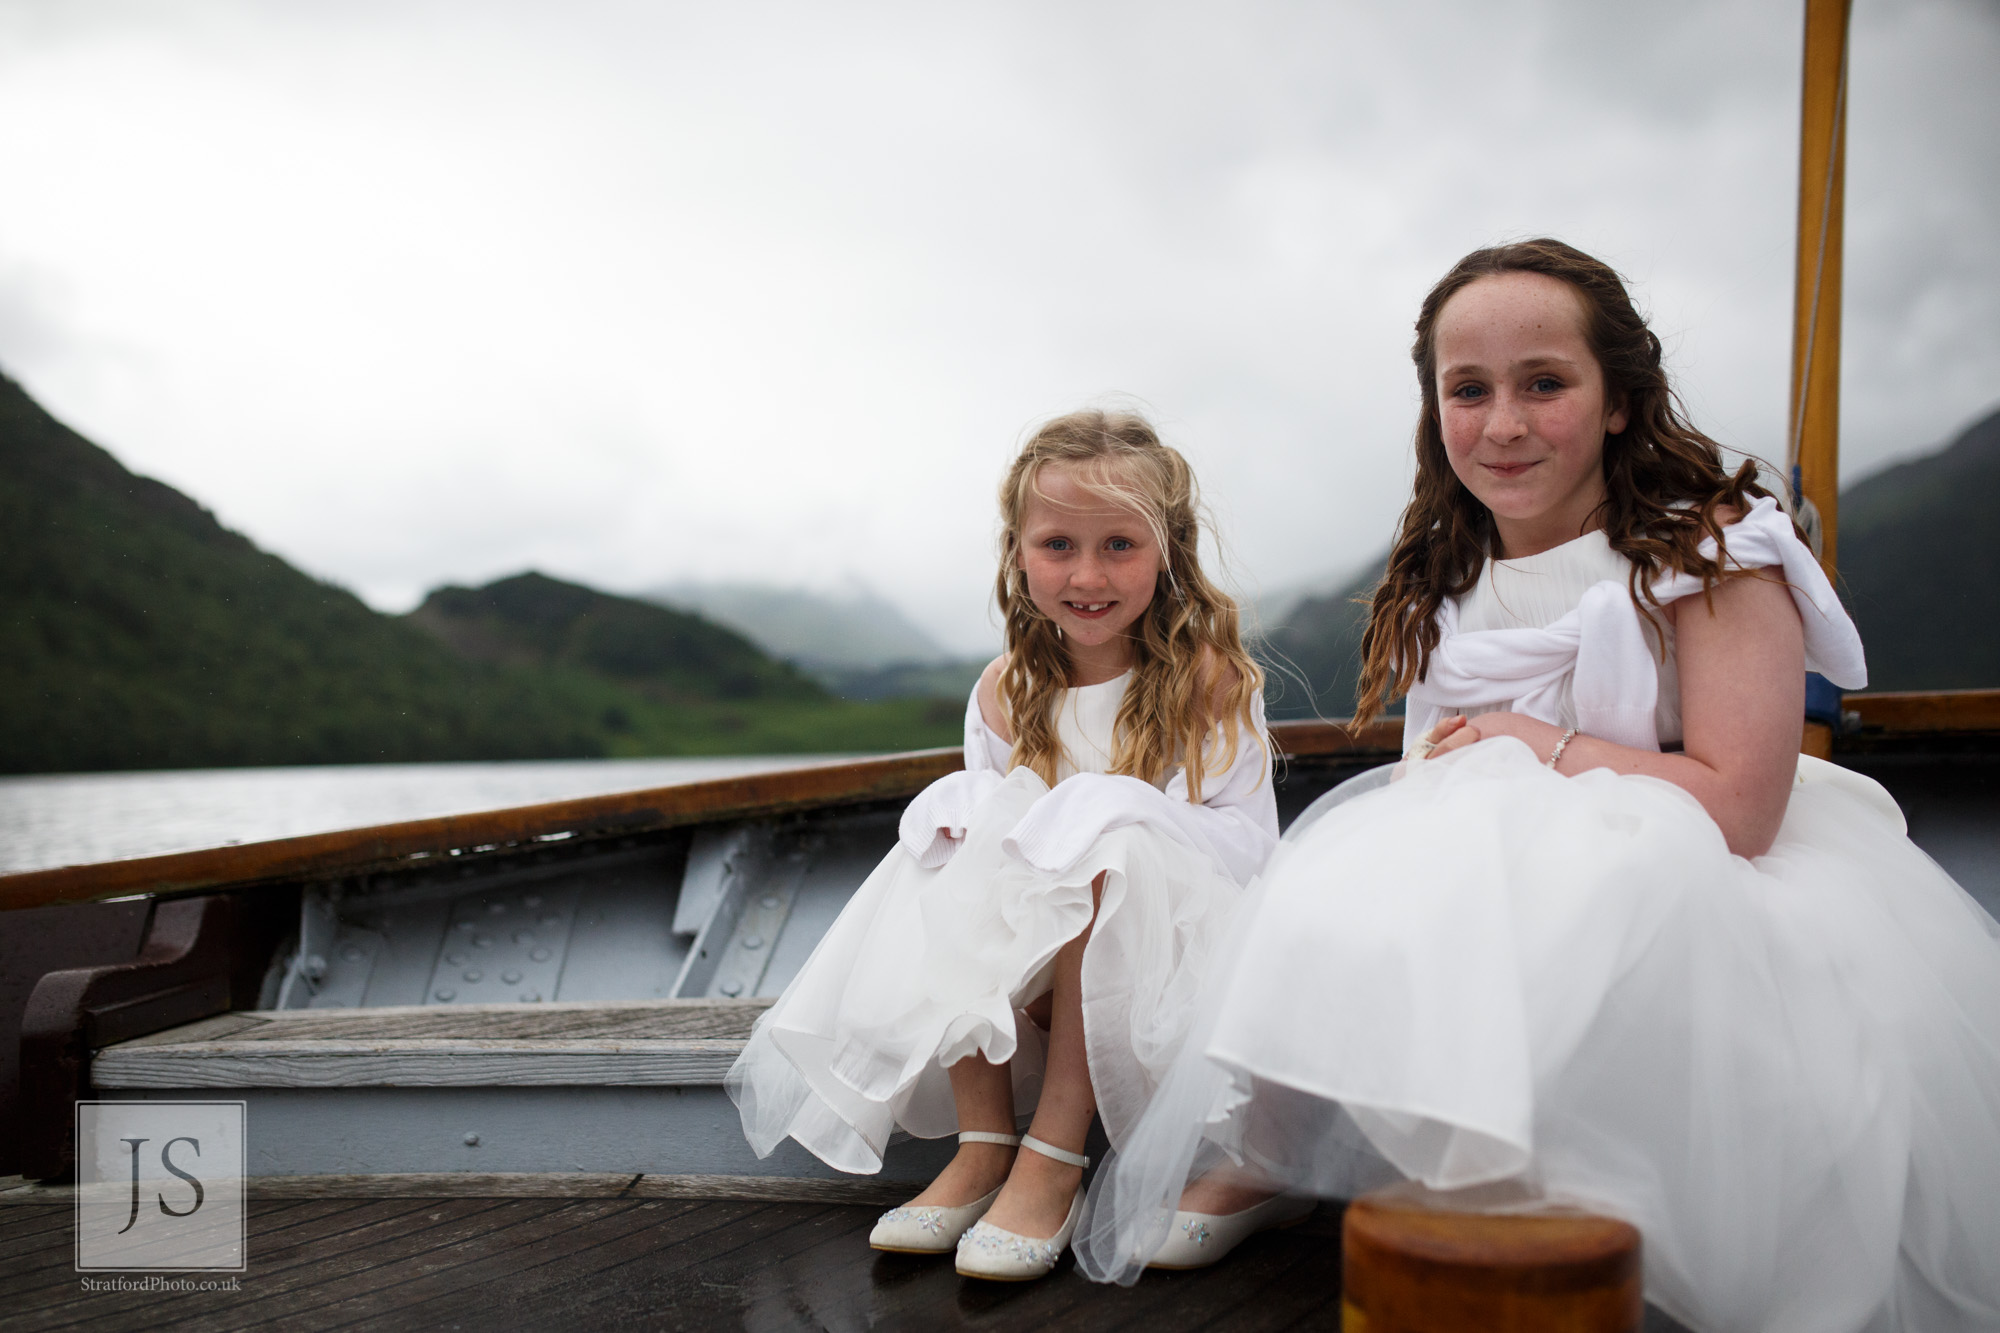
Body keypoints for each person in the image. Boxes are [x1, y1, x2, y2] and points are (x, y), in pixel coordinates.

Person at [1076, 240, 2000, 1332]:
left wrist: (1531, 743)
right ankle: (1276, 1150)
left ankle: (1552, 1197)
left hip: (1709, 872)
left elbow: (1742, 809)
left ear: (1615, 400)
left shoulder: (1711, 552)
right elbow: (1438, 765)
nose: (1502, 423)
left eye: (1542, 384)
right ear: (1434, 412)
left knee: (1580, 874)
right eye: (1467, 390)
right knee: (1358, 858)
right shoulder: (1447, 571)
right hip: (1520, 854)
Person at [726, 409, 1278, 1281]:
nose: (1086, 575)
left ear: (1168, 550)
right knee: (956, 821)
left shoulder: (1206, 681)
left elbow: (1241, 851)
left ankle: (1053, 1157)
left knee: (1110, 840)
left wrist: (1102, 815)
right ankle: (984, 1147)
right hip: (1038, 981)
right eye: (1057, 544)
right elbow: (995, 841)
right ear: (1018, 552)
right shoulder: (1006, 689)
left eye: (1119, 546)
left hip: (1172, 972)